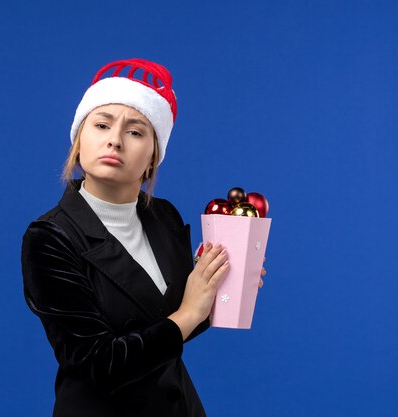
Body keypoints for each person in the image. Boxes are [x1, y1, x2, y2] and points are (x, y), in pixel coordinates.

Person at [21, 58, 265, 417]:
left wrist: (218, 289)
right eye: (101, 125)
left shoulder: (162, 216)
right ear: (78, 140)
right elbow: (102, 365)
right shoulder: (50, 238)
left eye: (135, 131)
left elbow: (169, 324)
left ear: (153, 156)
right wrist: (191, 311)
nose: (115, 140)